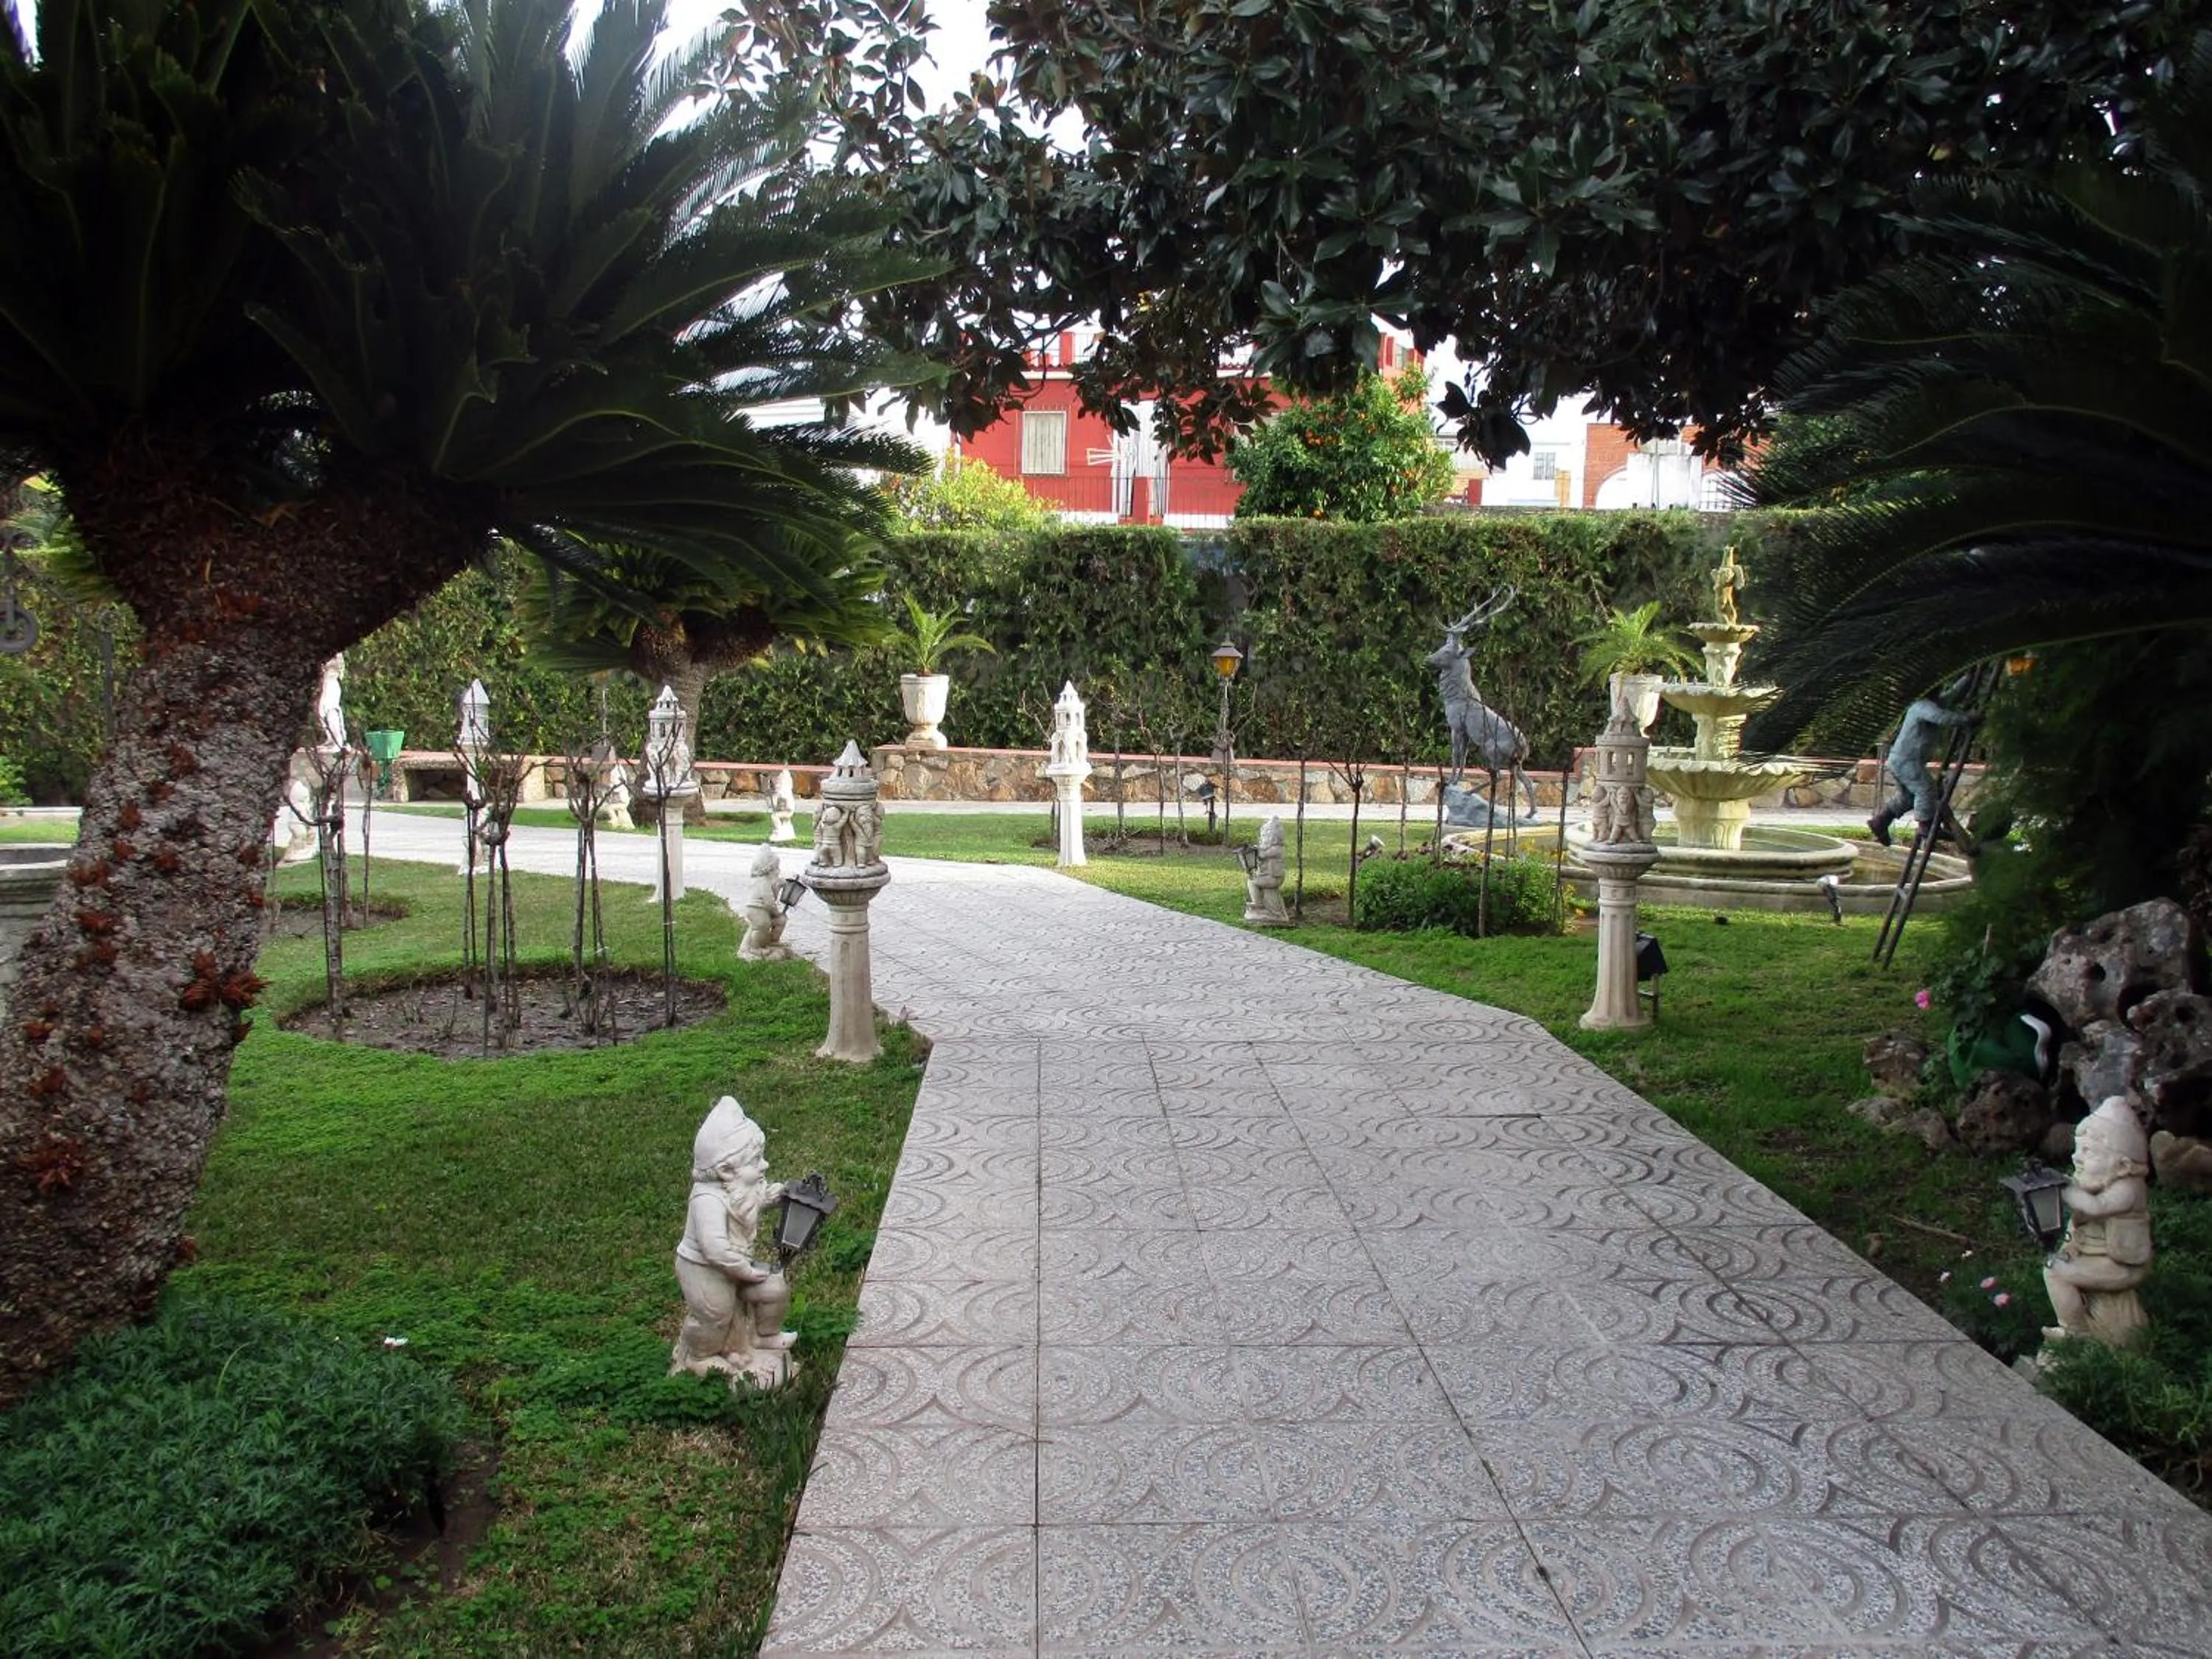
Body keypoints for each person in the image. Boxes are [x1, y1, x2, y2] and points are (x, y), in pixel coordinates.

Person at [670, 1097, 795, 1384]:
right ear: (726, 1171)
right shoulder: (707, 1199)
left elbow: (752, 1201)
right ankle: (699, 1356)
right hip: (704, 1269)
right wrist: (745, 1271)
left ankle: (765, 1337)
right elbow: (714, 1249)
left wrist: (780, 1194)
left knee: (775, 1288)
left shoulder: (736, 1189)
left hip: (736, 1264)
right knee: (716, 1313)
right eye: (755, 1160)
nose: (764, 1165)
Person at [1868, 674, 1978, 847]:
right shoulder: (1922, 707)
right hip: (1907, 760)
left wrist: (1970, 677)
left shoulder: (1932, 704)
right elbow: (1942, 718)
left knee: (1907, 798)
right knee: (1926, 789)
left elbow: (1954, 694)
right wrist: (1968, 719)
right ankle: (1925, 826)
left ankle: (1881, 821)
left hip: (1901, 759)